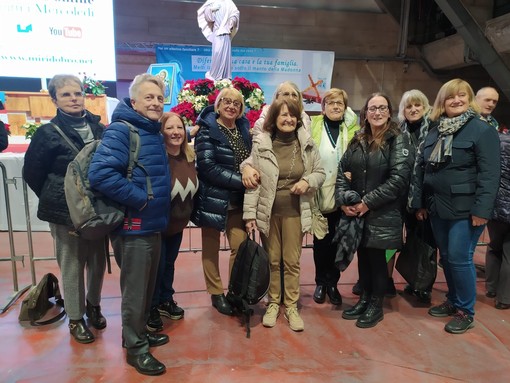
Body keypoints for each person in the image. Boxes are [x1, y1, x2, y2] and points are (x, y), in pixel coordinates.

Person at [88, 74, 171, 375]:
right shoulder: (122, 131)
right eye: (148, 97)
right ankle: (136, 349)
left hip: (152, 224)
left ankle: (137, 334)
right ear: (133, 101)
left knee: (146, 289)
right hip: (134, 225)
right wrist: (140, 199)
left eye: (160, 98)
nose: (155, 103)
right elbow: (101, 174)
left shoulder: (152, 131)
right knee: (135, 291)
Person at [410, 78, 500, 334]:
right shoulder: (436, 130)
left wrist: (482, 211)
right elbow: (424, 169)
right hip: (437, 207)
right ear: (442, 102)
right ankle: (453, 300)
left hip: (465, 210)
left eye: (462, 96)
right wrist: (421, 203)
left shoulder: (482, 131)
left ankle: (465, 311)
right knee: (447, 258)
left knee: (460, 259)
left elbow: (490, 175)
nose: (456, 100)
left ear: (469, 99)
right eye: (451, 97)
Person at [23, 74, 107, 344]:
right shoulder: (47, 134)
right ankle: (74, 318)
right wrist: (58, 196)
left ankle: (93, 305)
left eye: (78, 93)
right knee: (71, 264)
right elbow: (32, 173)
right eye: (67, 94)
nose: (74, 99)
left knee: (97, 261)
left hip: (96, 208)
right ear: (54, 99)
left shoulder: (99, 128)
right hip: (64, 211)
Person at [244, 98, 325, 331]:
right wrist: (250, 216)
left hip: (295, 213)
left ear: (298, 119)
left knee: (291, 262)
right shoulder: (262, 143)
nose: (288, 119)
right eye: (283, 115)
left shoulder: (307, 145)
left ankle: (290, 306)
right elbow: (253, 181)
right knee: (272, 260)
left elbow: (320, 173)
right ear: (274, 119)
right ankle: (273, 303)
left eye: (292, 115)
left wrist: (307, 181)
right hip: (269, 213)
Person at [338, 93, 412, 329]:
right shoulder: (358, 139)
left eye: (382, 108)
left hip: (383, 212)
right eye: (372, 108)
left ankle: (376, 305)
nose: (377, 112)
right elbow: (342, 171)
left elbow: (399, 179)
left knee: (378, 261)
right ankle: (365, 299)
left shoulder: (398, 140)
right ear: (365, 113)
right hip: (359, 211)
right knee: (363, 259)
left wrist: (367, 202)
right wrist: (344, 201)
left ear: (389, 112)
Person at [192, 87, 251, 316]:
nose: (231, 106)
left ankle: (235, 291)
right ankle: (216, 293)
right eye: (227, 101)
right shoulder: (206, 130)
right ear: (218, 105)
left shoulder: (244, 129)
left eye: (236, 103)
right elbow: (207, 167)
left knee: (240, 246)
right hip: (213, 198)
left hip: (237, 200)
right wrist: (242, 180)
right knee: (210, 248)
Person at [147, 112, 199, 332]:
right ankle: (150, 306)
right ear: (162, 132)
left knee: (168, 265)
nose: (176, 132)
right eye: (170, 128)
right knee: (155, 269)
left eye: (179, 127)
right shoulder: (158, 158)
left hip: (177, 226)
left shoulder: (189, 155)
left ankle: (165, 300)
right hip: (159, 225)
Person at [309, 88, 359, 306]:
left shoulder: (352, 129)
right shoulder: (314, 125)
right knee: (321, 241)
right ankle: (320, 282)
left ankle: (333, 284)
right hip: (320, 191)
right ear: (323, 106)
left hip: (344, 193)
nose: (336, 106)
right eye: (331, 103)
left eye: (340, 103)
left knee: (339, 242)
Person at [397, 89, 436, 304]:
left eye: (417, 105)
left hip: (421, 199)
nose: (413, 109)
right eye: (409, 106)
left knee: (424, 243)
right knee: (403, 241)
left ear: (425, 107)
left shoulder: (433, 131)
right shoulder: (399, 131)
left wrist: (421, 203)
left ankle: (424, 285)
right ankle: (410, 280)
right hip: (400, 197)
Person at [243, 81, 311, 188]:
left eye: (294, 95)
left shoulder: (305, 120)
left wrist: (309, 181)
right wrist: (246, 167)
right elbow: (255, 154)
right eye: (286, 94)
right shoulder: (262, 122)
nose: (290, 98)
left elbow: (309, 155)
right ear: (276, 97)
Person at [484, 130, 510, 310]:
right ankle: (505, 298)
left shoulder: (498, 141)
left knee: (494, 247)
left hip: (496, 206)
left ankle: (491, 288)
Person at [198, 0, 239, 80]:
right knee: (217, 53)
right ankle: (215, 75)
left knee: (225, 55)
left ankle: (224, 76)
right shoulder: (213, 1)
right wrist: (211, 9)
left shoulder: (229, 3)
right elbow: (208, 16)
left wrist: (232, 21)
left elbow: (235, 14)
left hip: (226, 33)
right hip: (217, 32)